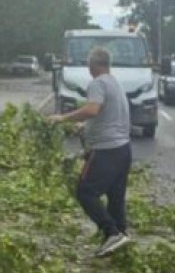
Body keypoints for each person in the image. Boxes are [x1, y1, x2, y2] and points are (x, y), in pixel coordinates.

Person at [49, 47, 132, 257]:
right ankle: (119, 239)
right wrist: (84, 128)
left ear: (93, 65)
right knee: (115, 198)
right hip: (123, 150)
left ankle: (111, 232)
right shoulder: (115, 83)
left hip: (106, 151)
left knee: (85, 192)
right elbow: (105, 115)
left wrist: (63, 118)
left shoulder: (98, 83)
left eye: (88, 65)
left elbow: (92, 109)